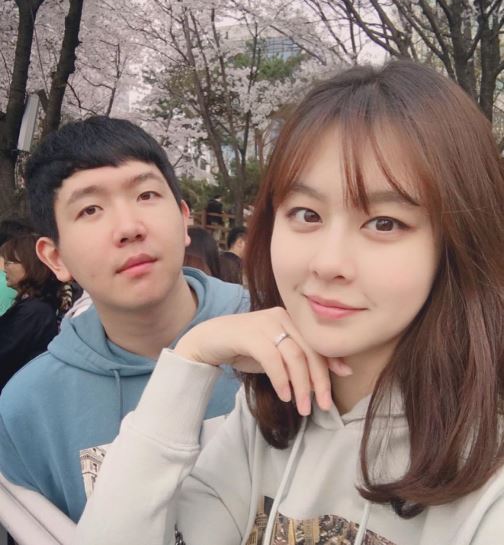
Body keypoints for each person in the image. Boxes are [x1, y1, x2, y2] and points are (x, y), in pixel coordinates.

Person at [76, 62, 504, 545]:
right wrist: (191, 358)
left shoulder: (488, 471)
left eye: (384, 223)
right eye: (306, 214)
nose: (328, 263)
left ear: (458, 243)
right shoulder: (266, 417)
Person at [0, 116, 249, 523]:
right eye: (90, 209)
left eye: (147, 194)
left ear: (183, 218)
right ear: (55, 258)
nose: (129, 228)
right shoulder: (28, 408)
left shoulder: (280, 334)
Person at [0, 231, 62, 392]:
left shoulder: (34, 311)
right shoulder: (34, 306)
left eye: (9, 262)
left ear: (30, 266)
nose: (4, 269)